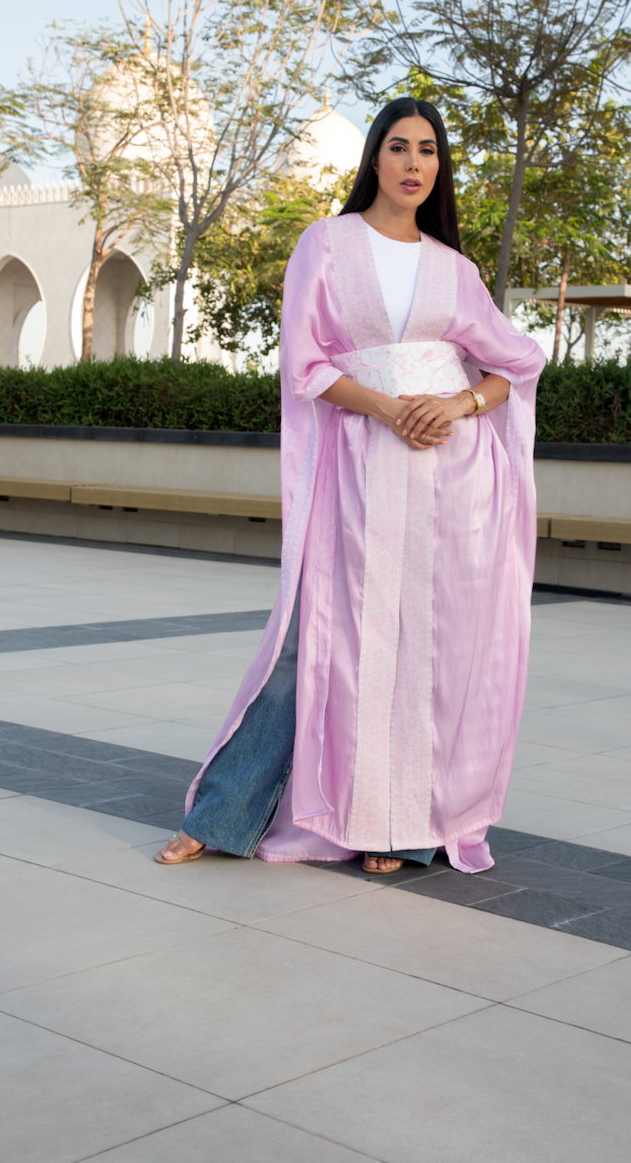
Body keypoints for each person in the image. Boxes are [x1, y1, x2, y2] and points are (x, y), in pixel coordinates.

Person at [155, 96, 545, 875]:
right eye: (399, 147)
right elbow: (306, 365)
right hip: (360, 468)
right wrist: (389, 410)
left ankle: (399, 829)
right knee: (315, 641)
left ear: (440, 167)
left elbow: (516, 364)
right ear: (374, 157)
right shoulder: (326, 246)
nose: (413, 164)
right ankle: (223, 813)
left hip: (453, 480)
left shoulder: (455, 271)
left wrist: (457, 403)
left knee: (429, 651)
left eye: (428, 151)